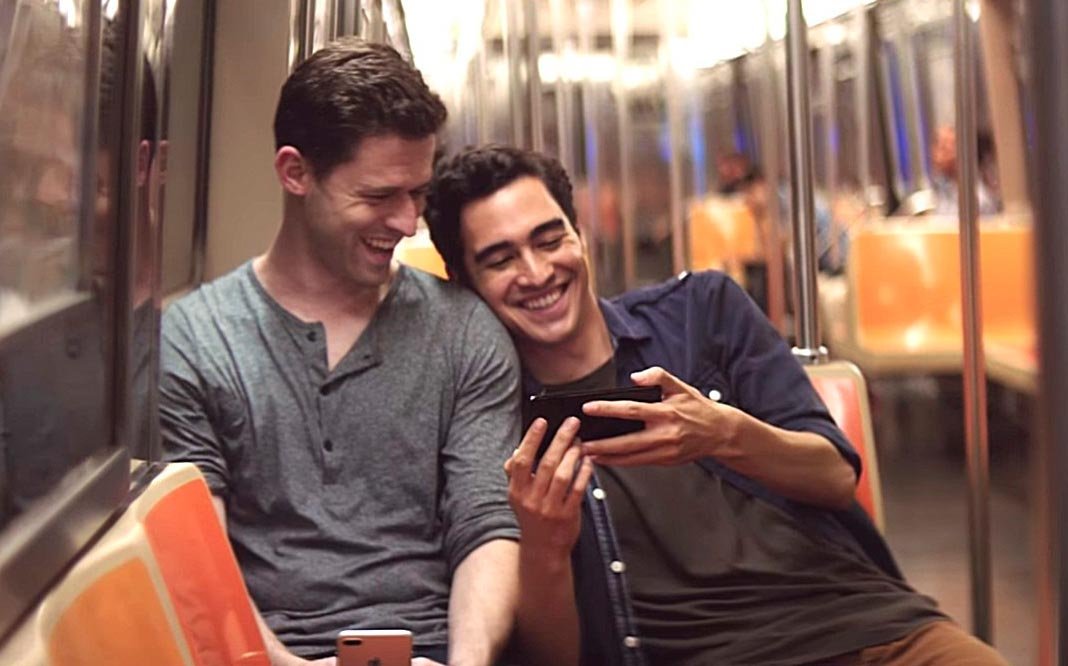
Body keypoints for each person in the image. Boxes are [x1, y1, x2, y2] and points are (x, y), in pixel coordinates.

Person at [423, 144, 1010, 666]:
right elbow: (557, 657)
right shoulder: (489, 416)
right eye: (500, 259)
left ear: (580, 234)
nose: (537, 272)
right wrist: (545, 547)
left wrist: (725, 434)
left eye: (551, 240)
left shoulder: (703, 312)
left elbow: (834, 477)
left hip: (861, 626)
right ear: (464, 281)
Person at [160, 41, 521, 665]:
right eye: (380, 196)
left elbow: (485, 524)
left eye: (418, 194)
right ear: (295, 173)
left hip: (435, 648)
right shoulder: (197, 339)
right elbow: (197, 557)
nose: (407, 223)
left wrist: (466, 662)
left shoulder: (464, 333)